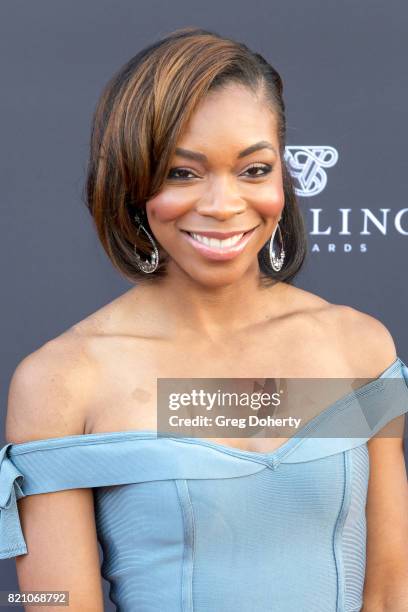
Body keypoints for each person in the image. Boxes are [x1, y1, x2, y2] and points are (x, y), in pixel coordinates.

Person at [1, 26, 408, 612]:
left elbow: (392, 591)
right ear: (133, 181)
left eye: (253, 170)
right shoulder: (62, 380)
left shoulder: (359, 346)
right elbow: (51, 602)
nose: (222, 206)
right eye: (182, 173)